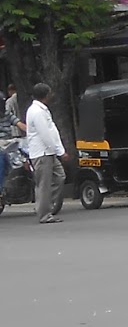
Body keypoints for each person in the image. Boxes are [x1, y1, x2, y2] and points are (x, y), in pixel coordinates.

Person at [25, 83, 66, 224]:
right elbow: (45, 134)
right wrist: (57, 151)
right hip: (42, 152)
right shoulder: (37, 112)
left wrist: (58, 150)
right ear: (46, 95)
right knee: (44, 184)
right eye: (50, 93)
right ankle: (44, 214)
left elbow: (52, 131)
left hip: (49, 151)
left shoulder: (42, 110)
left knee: (59, 177)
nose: (52, 95)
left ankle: (46, 205)